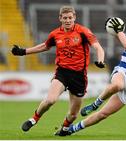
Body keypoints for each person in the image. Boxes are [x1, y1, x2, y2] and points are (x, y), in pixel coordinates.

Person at [11, 5, 105, 136]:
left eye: (70, 18)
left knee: (73, 114)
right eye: (65, 18)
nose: (68, 20)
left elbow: (98, 47)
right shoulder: (55, 34)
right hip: (62, 72)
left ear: (74, 18)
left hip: (79, 76)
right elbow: (45, 46)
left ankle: (65, 129)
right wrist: (23, 51)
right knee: (50, 100)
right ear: (60, 18)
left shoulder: (83, 31)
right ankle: (34, 119)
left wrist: (101, 61)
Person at [61, 14, 126, 136]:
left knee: (103, 114)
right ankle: (95, 104)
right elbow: (123, 40)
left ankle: (71, 129)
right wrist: (113, 29)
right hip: (123, 71)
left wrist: (118, 30)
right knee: (117, 85)